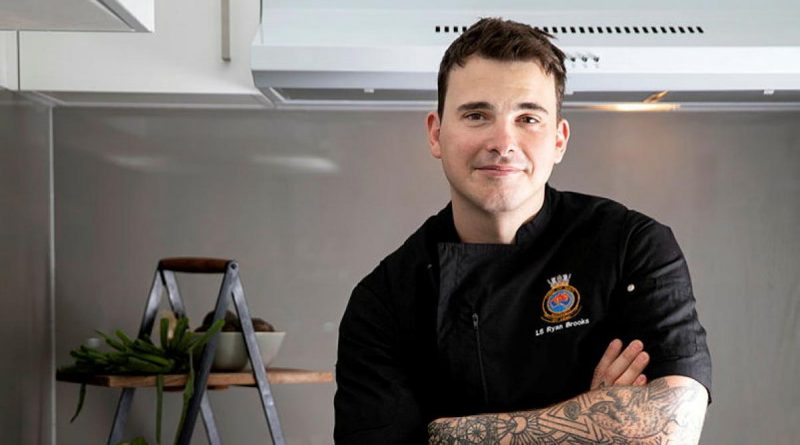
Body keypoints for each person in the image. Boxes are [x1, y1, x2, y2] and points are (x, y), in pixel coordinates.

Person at [334, 17, 712, 444]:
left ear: (559, 139)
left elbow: (669, 428)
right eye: (477, 115)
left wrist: (443, 434)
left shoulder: (631, 247)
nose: (502, 141)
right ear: (436, 133)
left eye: (528, 118)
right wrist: (590, 423)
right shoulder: (385, 301)